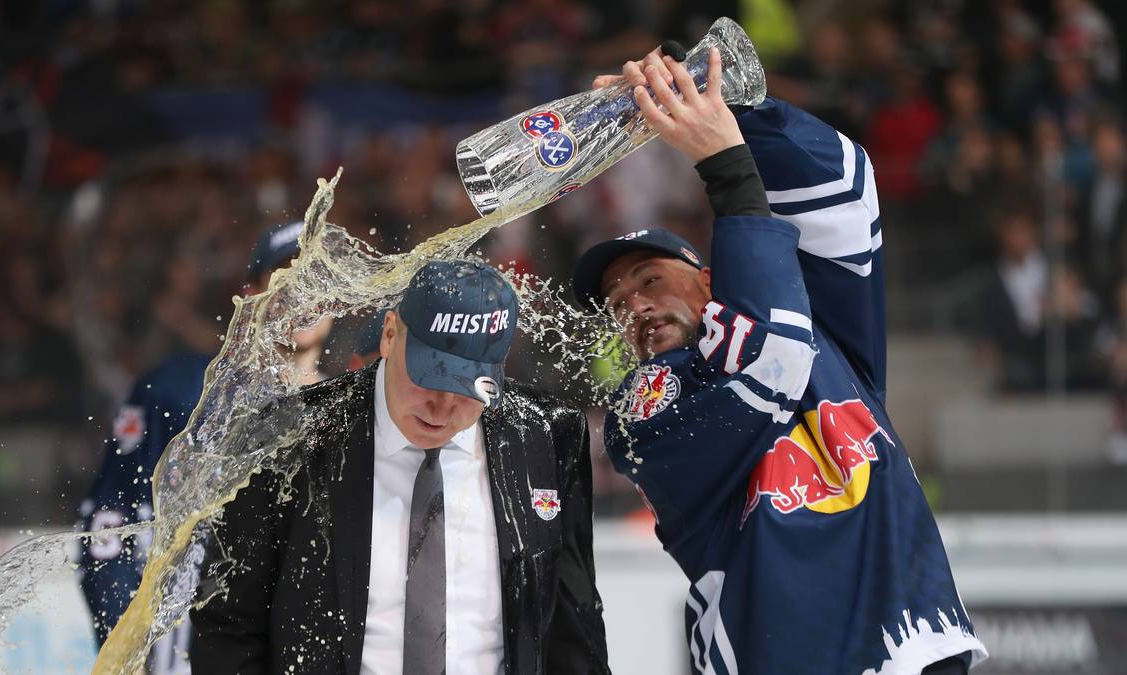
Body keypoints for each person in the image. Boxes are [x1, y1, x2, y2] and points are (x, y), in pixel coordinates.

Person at [571, 48, 987, 674]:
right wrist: (726, 167)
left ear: (710, 280)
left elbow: (847, 192)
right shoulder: (643, 415)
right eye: (617, 300)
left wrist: (732, 106)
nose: (634, 304)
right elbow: (773, 365)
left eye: (650, 279)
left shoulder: (826, 340)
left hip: (918, 651)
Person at [189, 260, 609, 674]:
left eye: (469, 389)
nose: (442, 408)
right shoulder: (288, 435)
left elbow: (574, 626)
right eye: (430, 378)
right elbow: (227, 626)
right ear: (390, 335)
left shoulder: (546, 434)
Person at [77, 220, 333, 673]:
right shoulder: (176, 393)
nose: (301, 293)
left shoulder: (349, 414)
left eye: (316, 278)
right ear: (250, 290)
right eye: (284, 277)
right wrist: (130, 655)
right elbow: (107, 534)